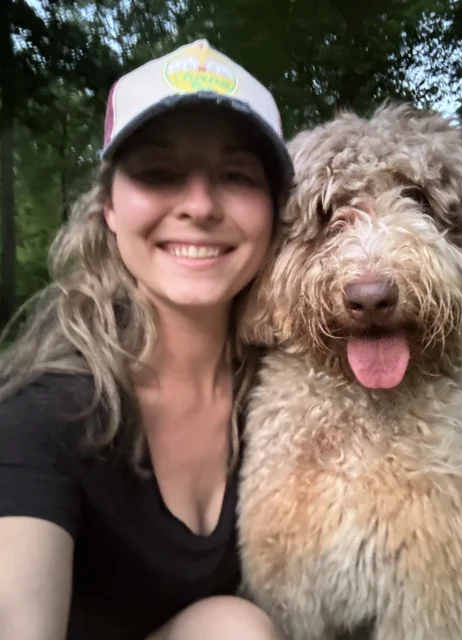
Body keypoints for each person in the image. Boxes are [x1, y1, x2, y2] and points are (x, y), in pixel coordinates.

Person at [0, 39, 293, 640]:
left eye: (236, 176)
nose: (200, 206)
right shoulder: (49, 415)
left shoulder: (288, 390)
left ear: (275, 209)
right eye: (158, 173)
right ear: (108, 206)